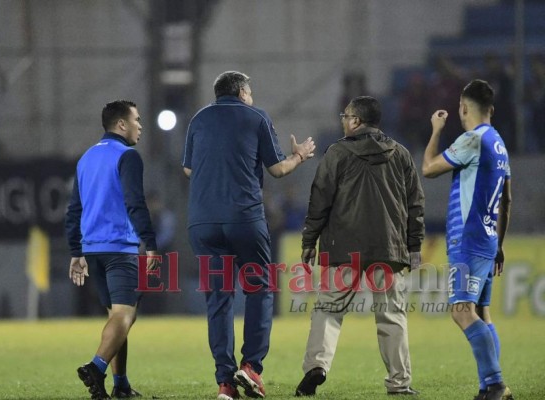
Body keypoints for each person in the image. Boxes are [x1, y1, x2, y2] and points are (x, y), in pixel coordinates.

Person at [182, 70, 316, 400]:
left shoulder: (198, 120)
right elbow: (278, 169)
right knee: (260, 288)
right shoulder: (256, 117)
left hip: (202, 222)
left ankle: (225, 383)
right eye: (250, 92)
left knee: (219, 299)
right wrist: (299, 155)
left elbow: (188, 169)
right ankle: (251, 367)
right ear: (242, 92)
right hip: (243, 218)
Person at [295, 96, 424, 397]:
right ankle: (399, 383)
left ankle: (317, 365)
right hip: (388, 248)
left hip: (343, 248)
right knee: (392, 315)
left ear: (355, 121)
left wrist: (309, 240)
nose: (342, 120)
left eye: (345, 116)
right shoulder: (401, 154)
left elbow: (320, 199)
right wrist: (414, 245)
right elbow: (415, 203)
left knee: (328, 309)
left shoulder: (337, 153)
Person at [422, 80, 513, 400]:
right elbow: (507, 200)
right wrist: (499, 245)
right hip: (488, 239)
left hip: (468, 238)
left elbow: (429, 168)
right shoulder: (499, 144)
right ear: (492, 109)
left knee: (461, 310)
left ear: (463, 108)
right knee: (482, 313)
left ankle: (497, 383)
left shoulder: (471, 140)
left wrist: (435, 130)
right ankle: (489, 386)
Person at [65, 100, 160, 400]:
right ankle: (96, 367)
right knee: (124, 316)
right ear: (121, 124)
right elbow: (135, 202)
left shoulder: (86, 158)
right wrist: (151, 245)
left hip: (93, 251)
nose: (140, 126)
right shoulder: (128, 156)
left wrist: (76, 252)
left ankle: (120, 384)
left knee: (118, 315)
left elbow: (74, 210)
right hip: (120, 248)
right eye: (137, 120)